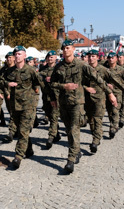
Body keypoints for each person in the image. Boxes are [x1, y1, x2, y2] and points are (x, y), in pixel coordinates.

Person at [49, 40, 116, 174]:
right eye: (63, 48)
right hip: (63, 103)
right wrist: (58, 92)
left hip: (77, 103)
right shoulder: (59, 67)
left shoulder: (81, 65)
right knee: (69, 130)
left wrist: (110, 94)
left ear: (73, 49)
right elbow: (52, 84)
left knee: (74, 129)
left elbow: (98, 79)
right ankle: (77, 151)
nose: (65, 50)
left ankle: (71, 159)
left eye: (68, 48)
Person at [3, 46, 42, 169]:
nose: (17, 56)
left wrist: (50, 98)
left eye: (20, 54)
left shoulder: (30, 70)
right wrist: (7, 84)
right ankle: (29, 150)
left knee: (23, 131)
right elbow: (0, 81)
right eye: (16, 54)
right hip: (15, 106)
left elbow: (39, 83)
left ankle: (18, 156)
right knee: (21, 130)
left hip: (27, 106)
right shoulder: (10, 71)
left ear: (25, 56)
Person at [39, 50, 61, 149]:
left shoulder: (59, 68)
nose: (50, 58)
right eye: (49, 57)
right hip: (46, 96)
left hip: (56, 96)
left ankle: (51, 137)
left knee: (54, 116)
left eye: (52, 57)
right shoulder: (43, 69)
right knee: (49, 115)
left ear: (56, 58)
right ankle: (56, 133)